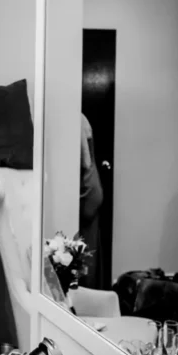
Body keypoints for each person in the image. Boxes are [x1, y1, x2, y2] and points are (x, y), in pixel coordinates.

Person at [79, 113, 104, 289]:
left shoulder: (75, 119)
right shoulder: (81, 118)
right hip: (89, 187)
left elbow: (85, 161)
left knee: (86, 257)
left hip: (87, 191)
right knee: (89, 253)